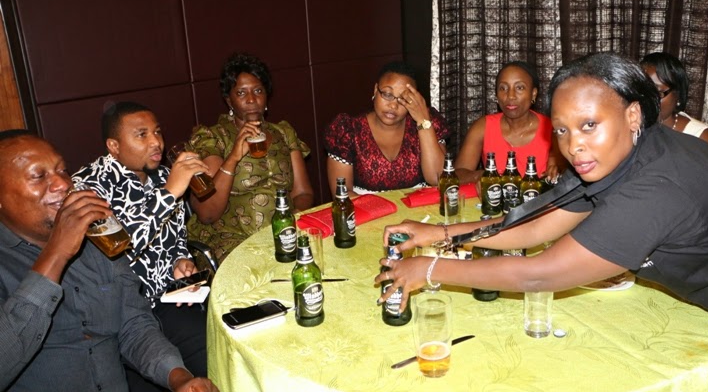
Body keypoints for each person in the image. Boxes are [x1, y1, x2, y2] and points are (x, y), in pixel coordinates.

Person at [378, 53, 708, 392]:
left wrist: (428, 269)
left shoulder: (655, 187)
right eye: (562, 129)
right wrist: (438, 234)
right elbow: (536, 223)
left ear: (632, 114)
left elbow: (541, 271)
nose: (573, 144)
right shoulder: (620, 156)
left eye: (589, 125)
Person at [0, 131, 279, 392]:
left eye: (60, 170)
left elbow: (134, 325)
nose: (60, 184)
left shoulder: (99, 242)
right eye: (38, 176)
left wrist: (178, 378)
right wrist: (57, 252)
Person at [73, 101, 209, 392]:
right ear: (114, 146)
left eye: (157, 132)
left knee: (213, 361)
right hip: (122, 315)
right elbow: (118, 248)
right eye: (142, 135)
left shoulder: (163, 175)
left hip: (167, 300)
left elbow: (176, 236)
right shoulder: (88, 187)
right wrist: (169, 193)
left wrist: (181, 260)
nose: (156, 142)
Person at [187, 52, 314, 263]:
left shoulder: (283, 133)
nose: (252, 99)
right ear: (229, 100)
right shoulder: (213, 138)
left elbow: (303, 192)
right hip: (231, 239)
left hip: (283, 232)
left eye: (258, 90)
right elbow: (207, 213)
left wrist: (295, 215)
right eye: (241, 93)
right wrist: (233, 157)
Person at [325, 61, 449, 196]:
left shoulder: (428, 124)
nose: (393, 105)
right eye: (388, 94)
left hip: (420, 208)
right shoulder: (348, 131)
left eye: (403, 99)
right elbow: (342, 194)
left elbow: (437, 178)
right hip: (365, 208)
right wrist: (384, 207)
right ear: (375, 90)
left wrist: (423, 121)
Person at [454, 60, 564, 183]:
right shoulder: (483, 126)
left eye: (519, 88)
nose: (510, 96)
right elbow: (457, 174)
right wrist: (481, 176)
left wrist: (558, 170)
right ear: (496, 95)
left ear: (533, 94)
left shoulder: (552, 129)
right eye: (503, 88)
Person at [640, 51, 708, 150]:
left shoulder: (701, 136)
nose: (647, 99)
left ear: (678, 95)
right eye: (642, 91)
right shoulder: (629, 128)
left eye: (658, 93)